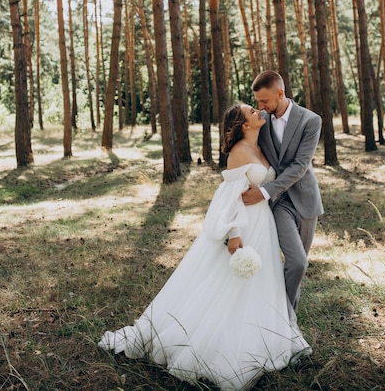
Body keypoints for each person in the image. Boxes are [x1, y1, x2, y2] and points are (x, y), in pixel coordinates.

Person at [98, 103, 311, 391]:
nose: (258, 111)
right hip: (245, 226)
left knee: (260, 284)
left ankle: (267, 335)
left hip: (264, 225)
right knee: (228, 285)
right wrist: (234, 233)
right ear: (244, 125)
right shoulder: (238, 154)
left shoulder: (260, 145)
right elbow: (229, 198)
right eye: (251, 110)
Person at [242, 70, 323, 311]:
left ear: (280, 93)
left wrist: (265, 190)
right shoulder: (261, 122)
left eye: (265, 101)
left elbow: (300, 166)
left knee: (297, 267)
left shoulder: (311, 120)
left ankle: (288, 323)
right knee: (297, 262)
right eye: (257, 102)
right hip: (278, 203)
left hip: (306, 200)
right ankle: (282, 320)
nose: (261, 106)